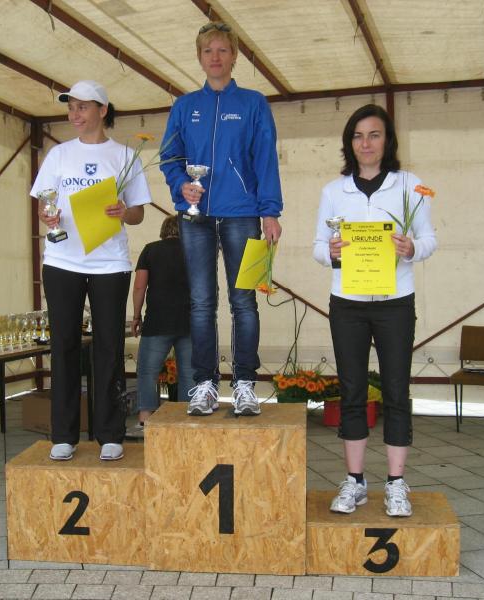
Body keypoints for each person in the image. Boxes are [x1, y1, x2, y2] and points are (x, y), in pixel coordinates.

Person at [313, 104, 437, 517]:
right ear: (349, 143)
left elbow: (430, 239)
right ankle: (355, 481)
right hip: (347, 303)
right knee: (351, 391)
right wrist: (331, 252)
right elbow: (317, 247)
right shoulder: (334, 191)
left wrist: (412, 247)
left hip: (395, 304)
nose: (365, 143)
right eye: (358, 136)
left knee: (396, 390)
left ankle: (396, 484)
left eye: (374, 134)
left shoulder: (410, 186)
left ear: (388, 140)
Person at [160, 22, 283, 417]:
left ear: (234, 56)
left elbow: (265, 159)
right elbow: (170, 158)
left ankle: (244, 383)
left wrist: (270, 211)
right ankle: (205, 385)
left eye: (222, 50)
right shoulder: (184, 107)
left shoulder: (253, 103)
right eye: (207, 50)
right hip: (194, 217)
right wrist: (181, 186)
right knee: (200, 303)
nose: (215, 57)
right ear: (199, 57)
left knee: (244, 300)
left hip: (243, 214)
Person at [31, 80, 151, 462]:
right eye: (71, 108)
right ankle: (63, 435)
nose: (75, 115)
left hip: (110, 264)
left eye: (82, 107)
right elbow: (44, 205)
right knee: (64, 345)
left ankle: (110, 434)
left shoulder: (125, 156)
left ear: (102, 110)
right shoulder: (58, 155)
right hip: (62, 261)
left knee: (109, 347)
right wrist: (47, 216)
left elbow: (138, 212)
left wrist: (124, 211)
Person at [129, 215, 195, 438]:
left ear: (163, 230)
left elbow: (140, 287)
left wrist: (136, 316)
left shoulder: (150, 250)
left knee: (147, 371)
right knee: (188, 373)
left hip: (157, 320)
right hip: (189, 320)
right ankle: (186, 419)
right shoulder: (193, 250)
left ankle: (145, 419)